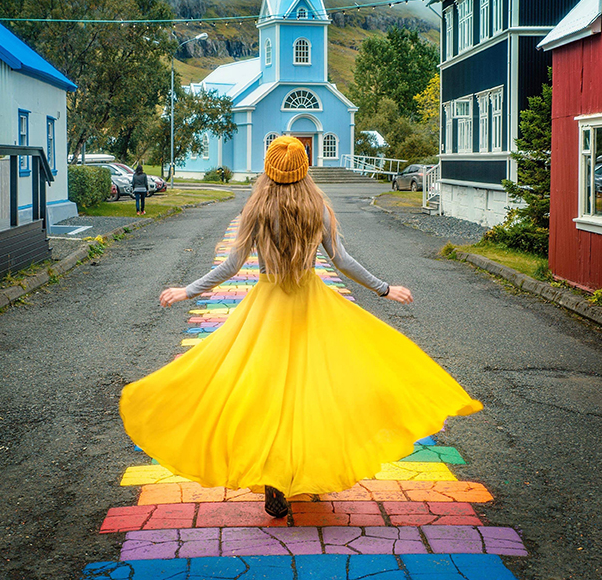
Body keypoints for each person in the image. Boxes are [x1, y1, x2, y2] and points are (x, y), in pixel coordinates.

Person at [120, 135, 482, 519]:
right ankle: (305, 474)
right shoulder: (317, 208)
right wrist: (385, 289)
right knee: (314, 394)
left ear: (269, 169)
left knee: (265, 396)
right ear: (304, 169)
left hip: (267, 310)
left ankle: (275, 478)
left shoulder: (255, 208)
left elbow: (230, 266)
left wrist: (186, 291)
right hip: (312, 307)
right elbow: (341, 260)